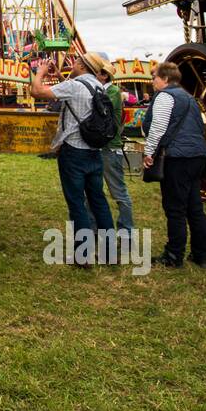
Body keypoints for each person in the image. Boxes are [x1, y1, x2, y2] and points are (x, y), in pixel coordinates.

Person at [31, 53, 116, 266]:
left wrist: (40, 73)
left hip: (74, 151)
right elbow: (74, 93)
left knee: (77, 203)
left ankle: (83, 255)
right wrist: (61, 76)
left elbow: (37, 91)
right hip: (93, 151)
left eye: (75, 62)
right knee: (99, 201)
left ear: (81, 65)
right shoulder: (98, 86)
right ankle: (109, 253)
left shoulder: (74, 86)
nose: (73, 64)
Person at [142, 61, 206, 268]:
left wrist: (149, 152)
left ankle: (173, 255)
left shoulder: (165, 96)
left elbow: (158, 127)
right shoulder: (190, 99)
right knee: (195, 208)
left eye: (155, 78)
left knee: (175, 208)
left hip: (178, 158)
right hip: (197, 154)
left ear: (164, 79)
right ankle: (201, 255)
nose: (153, 82)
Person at [94, 57, 134, 231]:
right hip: (99, 147)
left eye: (95, 71)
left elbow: (101, 110)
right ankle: (93, 228)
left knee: (118, 192)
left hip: (110, 147)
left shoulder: (112, 92)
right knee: (93, 191)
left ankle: (126, 230)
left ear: (103, 76)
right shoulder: (103, 90)